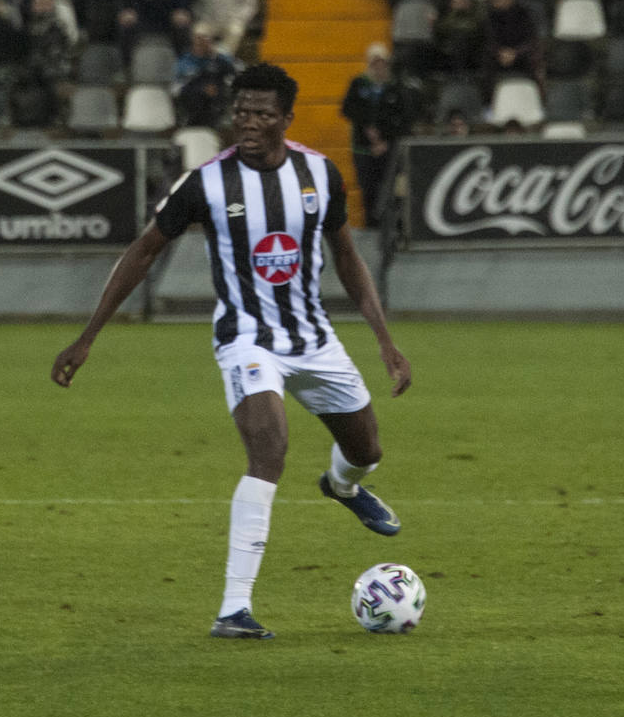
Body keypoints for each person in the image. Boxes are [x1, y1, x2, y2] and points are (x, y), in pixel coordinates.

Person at [51, 63, 413, 640]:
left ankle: (342, 486)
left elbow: (346, 257)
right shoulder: (205, 183)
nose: (247, 123)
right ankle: (233, 610)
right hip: (246, 339)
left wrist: (385, 341)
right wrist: (89, 334)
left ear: (287, 119)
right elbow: (143, 252)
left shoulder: (320, 174)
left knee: (367, 449)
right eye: (241, 111)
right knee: (269, 450)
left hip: (313, 338)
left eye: (262, 114)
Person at [341, 43, 417, 227]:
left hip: (389, 148)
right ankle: (371, 224)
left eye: (382, 62)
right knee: (368, 188)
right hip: (363, 148)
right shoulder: (358, 83)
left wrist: (385, 139)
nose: (378, 66)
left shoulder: (396, 87)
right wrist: (367, 126)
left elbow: (405, 117)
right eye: (374, 62)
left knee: (392, 188)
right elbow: (348, 109)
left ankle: (393, 226)